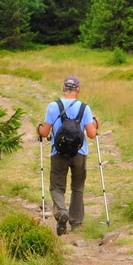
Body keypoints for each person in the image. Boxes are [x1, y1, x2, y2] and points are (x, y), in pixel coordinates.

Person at [37, 76, 98, 235]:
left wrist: (39, 129)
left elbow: (44, 132)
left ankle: (61, 211)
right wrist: (96, 125)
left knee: (57, 186)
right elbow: (91, 134)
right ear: (79, 89)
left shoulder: (53, 106)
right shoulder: (85, 108)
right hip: (80, 153)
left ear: (63, 88)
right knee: (77, 188)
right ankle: (76, 223)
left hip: (58, 152)